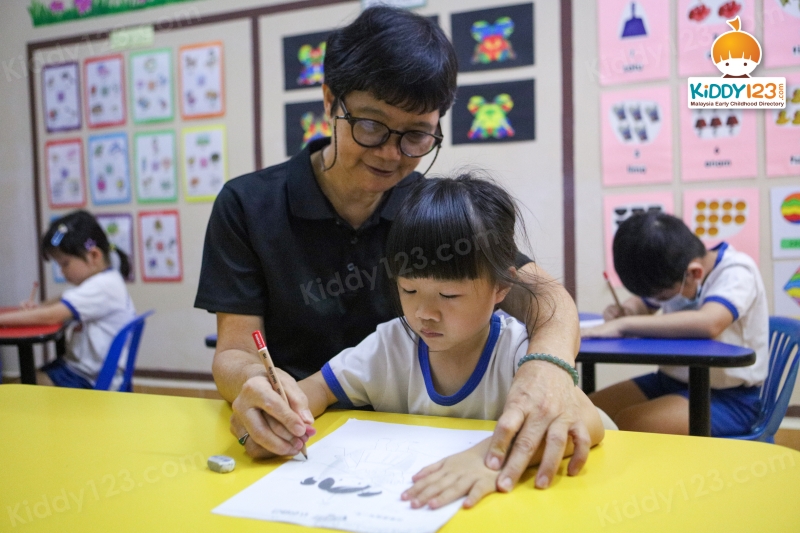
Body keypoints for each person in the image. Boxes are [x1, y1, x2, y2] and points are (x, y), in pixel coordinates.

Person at [195, 6, 587, 492]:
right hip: (300, 436)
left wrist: (547, 368)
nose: (390, 153)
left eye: (417, 135)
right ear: (329, 101)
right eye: (372, 126)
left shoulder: (426, 211)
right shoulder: (248, 205)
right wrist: (253, 387)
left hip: (410, 443)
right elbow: (234, 350)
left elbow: (546, 297)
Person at [248, 174, 606, 509]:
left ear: (501, 287)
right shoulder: (391, 345)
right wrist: (280, 419)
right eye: (409, 289)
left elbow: (586, 420)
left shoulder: (517, 352)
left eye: (449, 295)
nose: (425, 313)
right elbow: (316, 391)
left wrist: (491, 455)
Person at [582, 212, 768, 436]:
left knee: (631, 423)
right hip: (669, 381)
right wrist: (629, 309)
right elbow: (644, 303)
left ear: (693, 273)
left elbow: (709, 322)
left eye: (662, 297)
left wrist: (623, 325)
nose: (658, 302)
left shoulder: (737, 272)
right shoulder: (676, 271)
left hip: (730, 398)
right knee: (586, 413)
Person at [0, 210, 136, 390]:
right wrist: (37, 308)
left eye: (65, 264)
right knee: (24, 382)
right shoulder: (104, 280)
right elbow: (64, 298)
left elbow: (51, 316)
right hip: (83, 371)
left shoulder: (102, 286)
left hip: (89, 378)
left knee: (17, 390)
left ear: (93, 256)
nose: (62, 272)